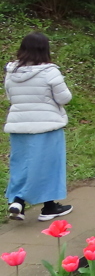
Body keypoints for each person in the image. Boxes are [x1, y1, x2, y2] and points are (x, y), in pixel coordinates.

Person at [5, 33, 73, 221]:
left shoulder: (11, 72)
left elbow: (11, 97)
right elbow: (64, 98)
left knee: (21, 164)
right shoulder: (50, 72)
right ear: (45, 49)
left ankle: (17, 201)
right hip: (47, 125)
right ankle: (49, 207)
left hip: (18, 126)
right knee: (48, 165)